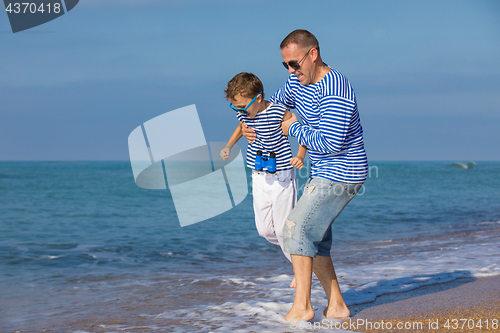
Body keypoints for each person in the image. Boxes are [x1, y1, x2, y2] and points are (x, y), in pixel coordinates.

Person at [241, 30, 368, 322]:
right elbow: (271, 106)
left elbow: (330, 143)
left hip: (343, 171)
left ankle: (302, 307)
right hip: (323, 171)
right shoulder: (295, 82)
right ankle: (336, 306)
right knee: (317, 240)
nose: (290, 71)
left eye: (295, 64)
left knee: (296, 230)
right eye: (285, 65)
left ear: (314, 54)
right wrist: (251, 124)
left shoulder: (335, 88)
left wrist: (292, 128)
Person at [220, 72, 307, 274]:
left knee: (286, 231)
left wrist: (300, 155)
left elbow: (300, 130)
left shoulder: (278, 111)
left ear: (258, 98)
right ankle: (302, 257)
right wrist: (229, 145)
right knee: (265, 230)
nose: (239, 111)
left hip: (282, 177)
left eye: (242, 106)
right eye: (235, 107)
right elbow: (241, 128)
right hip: (258, 177)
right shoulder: (245, 113)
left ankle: (301, 271)